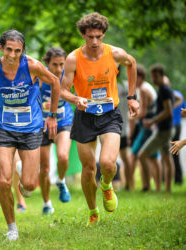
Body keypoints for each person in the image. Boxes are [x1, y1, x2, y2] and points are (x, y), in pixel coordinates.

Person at [0, 30, 60, 241]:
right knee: (3, 181)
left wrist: (53, 116)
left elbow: (55, 83)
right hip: (3, 127)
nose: (12, 55)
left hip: (31, 127)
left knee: (30, 185)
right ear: (1, 47)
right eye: (9, 50)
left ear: (22, 51)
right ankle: (12, 228)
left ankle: (24, 177)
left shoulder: (32, 66)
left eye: (17, 51)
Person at [60, 12, 139, 225]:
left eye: (98, 36)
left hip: (109, 115)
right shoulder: (73, 58)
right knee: (88, 171)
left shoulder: (114, 53)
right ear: (83, 36)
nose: (94, 41)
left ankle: (106, 185)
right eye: (89, 37)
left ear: (103, 34)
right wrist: (76, 99)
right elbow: (63, 90)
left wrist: (132, 97)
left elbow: (132, 63)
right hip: (84, 116)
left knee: (107, 163)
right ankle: (93, 211)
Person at [38, 46, 73, 215]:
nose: (58, 69)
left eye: (61, 64)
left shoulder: (68, 74)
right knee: (44, 168)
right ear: (47, 64)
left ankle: (60, 181)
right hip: (43, 125)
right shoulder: (39, 76)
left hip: (63, 121)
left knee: (63, 157)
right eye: (54, 65)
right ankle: (46, 203)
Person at [139, 64, 175, 192]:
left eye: (156, 76)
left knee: (142, 155)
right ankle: (166, 189)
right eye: (152, 76)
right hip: (165, 128)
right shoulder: (164, 89)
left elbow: (168, 111)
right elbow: (177, 99)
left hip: (163, 130)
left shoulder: (165, 90)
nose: (153, 79)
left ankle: (147, 186)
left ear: (162, 76)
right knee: (166, 157)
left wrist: (152, 121)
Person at [128, 65, 159, 191]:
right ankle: (148, 186)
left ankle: (149, 186)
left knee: (144, 155)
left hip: (148, 126)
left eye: (134, 77)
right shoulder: (142, 88)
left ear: (140, 77)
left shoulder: (145, 90)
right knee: (147, 156)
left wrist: (131, 117)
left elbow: (144, 112)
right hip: (145, 126)